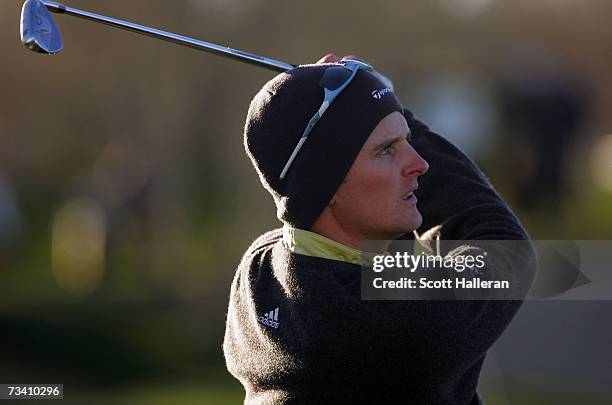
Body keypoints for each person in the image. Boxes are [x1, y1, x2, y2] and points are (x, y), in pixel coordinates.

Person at [223, 54, 535, 404]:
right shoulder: (397, 321)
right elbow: (501, 245)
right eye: (386, 150)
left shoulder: (259, 272)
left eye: (407, 141)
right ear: (325, 186)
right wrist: (400, 113)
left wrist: (373, 110)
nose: (420, 164)